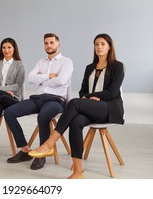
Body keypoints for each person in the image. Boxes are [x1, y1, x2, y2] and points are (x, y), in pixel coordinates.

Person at [29, 33, 125, 179]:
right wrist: (88, 98)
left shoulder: (117, 66)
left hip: (110, 108)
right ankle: (78, 172)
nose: (99, 47)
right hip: (92, 106)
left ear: (109, 46)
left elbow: (112, 92)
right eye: (96, 44)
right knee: (75, 122)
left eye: (103, 44)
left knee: (74, 102)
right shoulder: (90, 67)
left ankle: (49, 143)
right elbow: (83, 91)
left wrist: (95, 97)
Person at [4, 33, 73, 170]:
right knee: (9, 112)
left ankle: (41, 155)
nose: (49, 45)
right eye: (46, 43)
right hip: (38, 98)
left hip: (56, 100)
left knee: (44, 115)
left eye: (52, 43)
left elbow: (62, 80)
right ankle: (24, 149)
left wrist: (41, 78)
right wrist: (49, 76)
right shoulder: (41, 62)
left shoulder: (66, 62)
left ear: (58, 44)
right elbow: (30, 78)